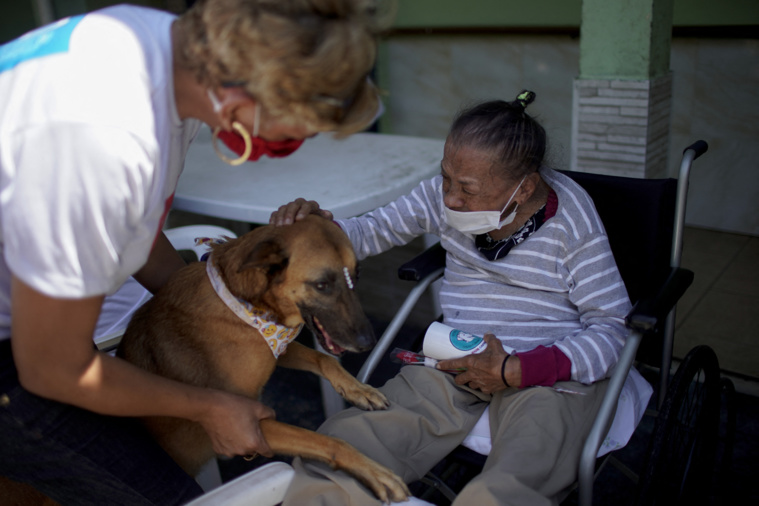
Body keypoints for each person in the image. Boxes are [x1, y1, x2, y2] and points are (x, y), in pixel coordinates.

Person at [0, 0, 389, 504]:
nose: (297, 145)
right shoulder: (105, 146)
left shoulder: (163, 48)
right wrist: (210, 407)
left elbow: (126, 228)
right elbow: (53, 367)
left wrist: (215, 305)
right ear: (245, 100)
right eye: (297, 132)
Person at [270, 91, 635, 505]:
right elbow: (373, 229)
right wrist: (315, 229)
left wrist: (519, 369)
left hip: (545, 369)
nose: (449, 199)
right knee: (345, 445)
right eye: (446, 177)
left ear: (524, 187)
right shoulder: (439, 197)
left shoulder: (573, 223)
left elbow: (610, 329)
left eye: (467, 188)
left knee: (510, 486)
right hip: (456, 354)